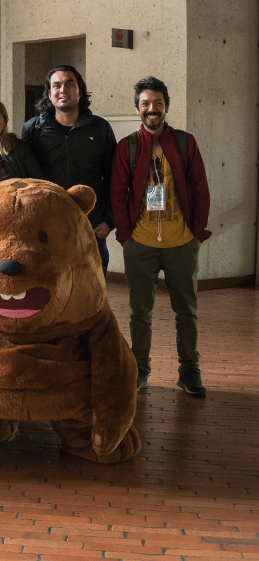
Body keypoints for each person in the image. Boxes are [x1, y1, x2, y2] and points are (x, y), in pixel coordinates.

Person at [110, 77, 211, 397]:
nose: (151, 109)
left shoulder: (184, 142)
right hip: (140, 244)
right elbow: (117, 193)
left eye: (157, 103)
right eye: (145, 104)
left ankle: (189, 371)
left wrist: (197, 234)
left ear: (166, 106)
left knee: (187, 312)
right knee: (140, 314)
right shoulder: (127, 146)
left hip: (182, 243)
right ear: (137, 108)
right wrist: (126, 236)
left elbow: (200, 189)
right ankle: (140, 370)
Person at [21, 65, 116, 274]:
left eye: (70, 84)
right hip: (47, 227)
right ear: (49, 94)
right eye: (56, 85)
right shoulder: (33, 129)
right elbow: (26, 180)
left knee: (92, 287)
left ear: (80, 91)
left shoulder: (100, 128)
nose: (63, 89)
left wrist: (109, 220)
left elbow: (113, 177)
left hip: (91, 225)